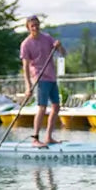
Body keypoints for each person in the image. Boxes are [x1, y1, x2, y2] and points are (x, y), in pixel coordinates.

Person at [19, 15, 66, 147]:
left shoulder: (47, 38)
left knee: (56, 107)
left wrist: (59, 46)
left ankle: (49, 137)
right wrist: (28, 86)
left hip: (51, 77)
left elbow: (63, 54)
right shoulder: (26, 44)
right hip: (39, 79)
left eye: (37, 25)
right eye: (32, 26)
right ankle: (35, 139)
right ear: (28, 28)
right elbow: (26, 67)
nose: (35, 28)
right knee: (42, 107)